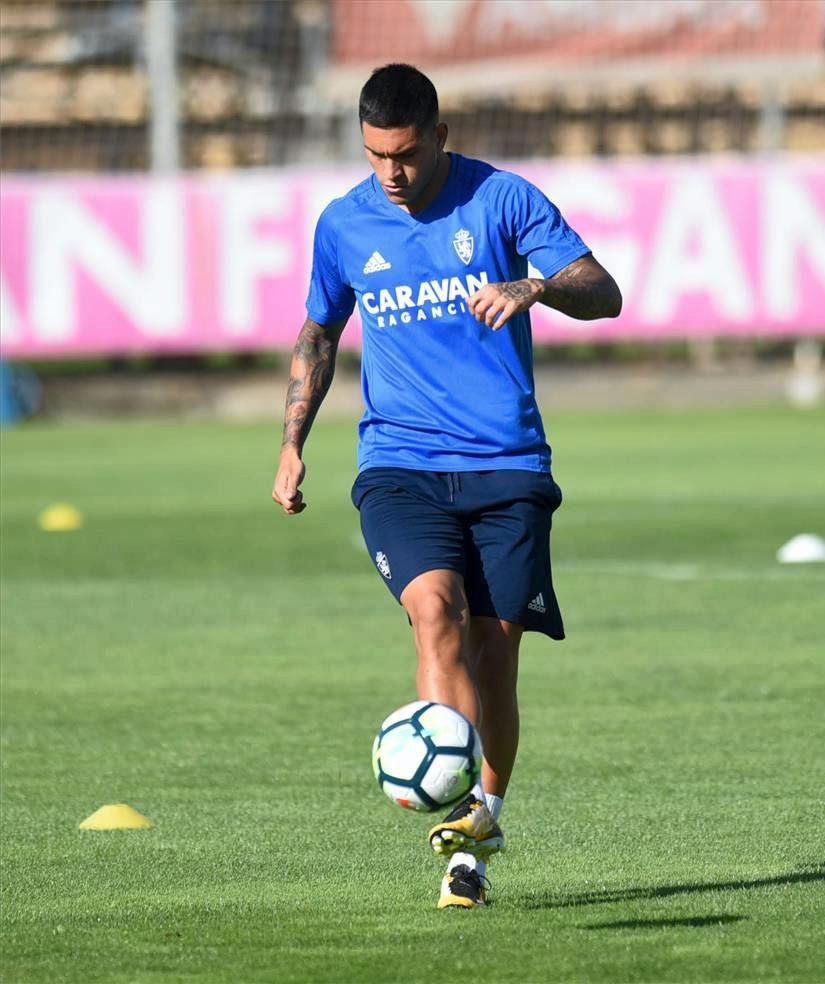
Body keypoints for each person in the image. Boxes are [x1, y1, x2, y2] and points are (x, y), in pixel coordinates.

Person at [272, 63, 622, 909]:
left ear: (438, 135)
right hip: (399, 466)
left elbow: (604, 292)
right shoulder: (345, 223)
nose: (389, 173)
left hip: (508, 467)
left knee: (496, 658)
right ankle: (457, 821)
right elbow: (318, 334)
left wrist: (533, 284)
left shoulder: (501, 200)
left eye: (402, 154)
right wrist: (292, 443)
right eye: (373, 155)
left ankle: (481, 831)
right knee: (436, 612)